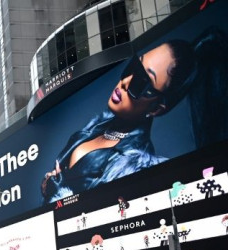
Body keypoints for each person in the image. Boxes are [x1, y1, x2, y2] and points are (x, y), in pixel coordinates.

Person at [42, 29, 228, 203]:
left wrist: (57, 195)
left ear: (157, 108)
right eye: (133, 67)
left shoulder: (134, 168)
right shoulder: (98, 127)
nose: (124, 82)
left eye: (141, 81)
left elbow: (105, 218)